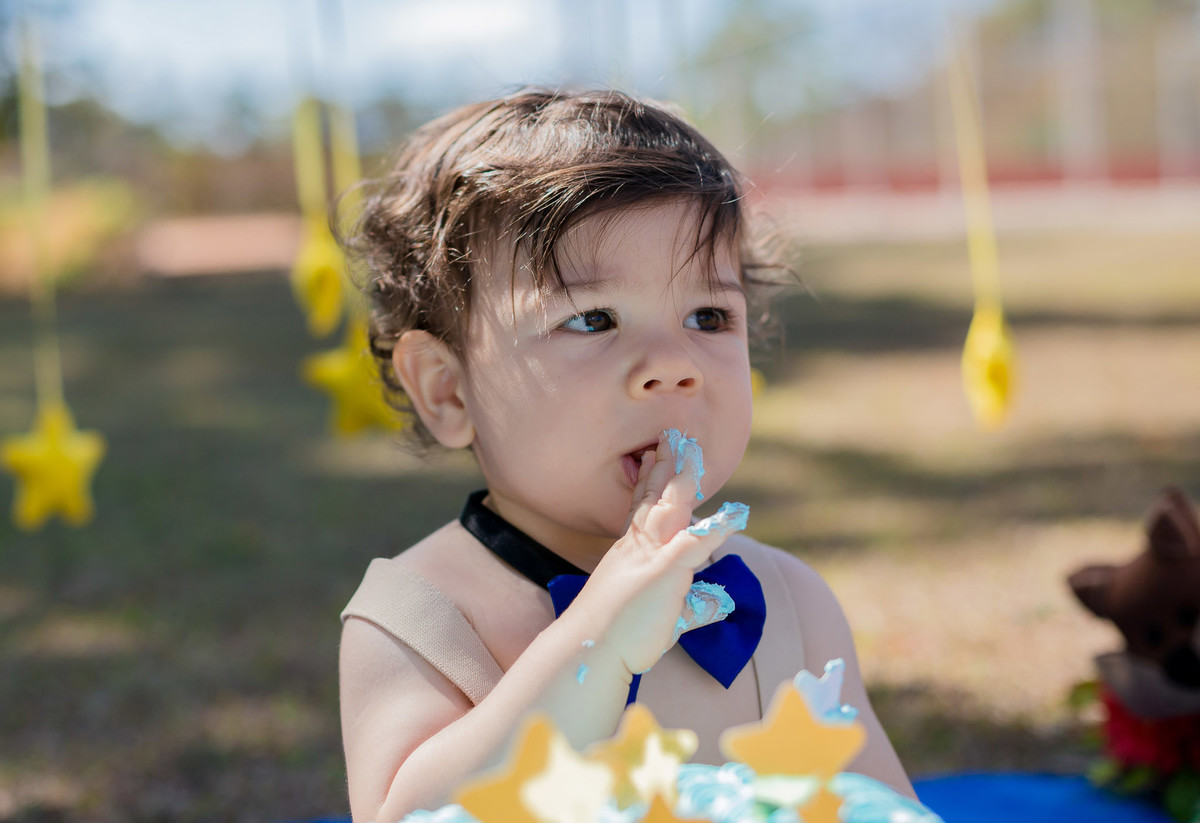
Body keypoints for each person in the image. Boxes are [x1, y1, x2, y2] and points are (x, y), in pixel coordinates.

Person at [337, 88, 913, 822]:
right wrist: (596, 640)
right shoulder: (418, 617)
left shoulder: (792, 603)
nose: (673, 364)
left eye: (708, 316)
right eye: (592, 318)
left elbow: (881, 807)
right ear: (449, 391)